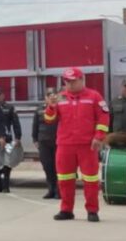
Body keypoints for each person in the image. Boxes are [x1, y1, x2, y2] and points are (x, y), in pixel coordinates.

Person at [43, 67, 110, 221]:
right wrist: (51, 107)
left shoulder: (94, 96)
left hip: (87, 145)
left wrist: (99, 137)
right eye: (67, 82)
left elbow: (103, 118)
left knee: (91, 180)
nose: (70, 85)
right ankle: (66, 210)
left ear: (82, 80)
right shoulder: (59, 98)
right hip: (65, 145)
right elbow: (49, 120)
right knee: (65, 179)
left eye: (73, 81)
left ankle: (92, 211)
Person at [31, 88, 60, 199]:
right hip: (44, 143)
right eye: (49, 95)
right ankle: (50, 190)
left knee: (58, 167)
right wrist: (35, 140)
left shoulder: (60, 109)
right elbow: (35, 126)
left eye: (54, 95)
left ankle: (58, 191)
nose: (52, 97)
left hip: (57, 142)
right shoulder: (39, 110)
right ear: (45, 98)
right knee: (47, 167)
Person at [0, 87, 21, 193]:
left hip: (6, 138)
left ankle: (6, 186)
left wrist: (18, 137)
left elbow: (16, 123)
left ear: (3, 95)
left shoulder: (9, 108)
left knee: (7, 162)